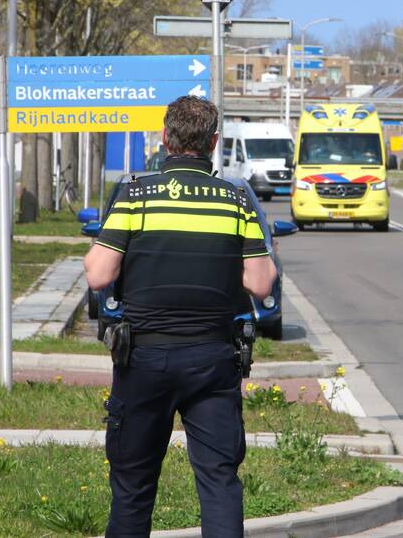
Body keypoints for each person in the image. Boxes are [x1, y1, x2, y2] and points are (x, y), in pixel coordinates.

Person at [84, 95, 277, 538]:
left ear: (166, 138)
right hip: (212, 360)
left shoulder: (135, 196)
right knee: (219, 482)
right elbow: (261, 284)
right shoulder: (235, 201)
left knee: (132, 486)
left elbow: (98, 275)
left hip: (143, 361)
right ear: (212, 142)